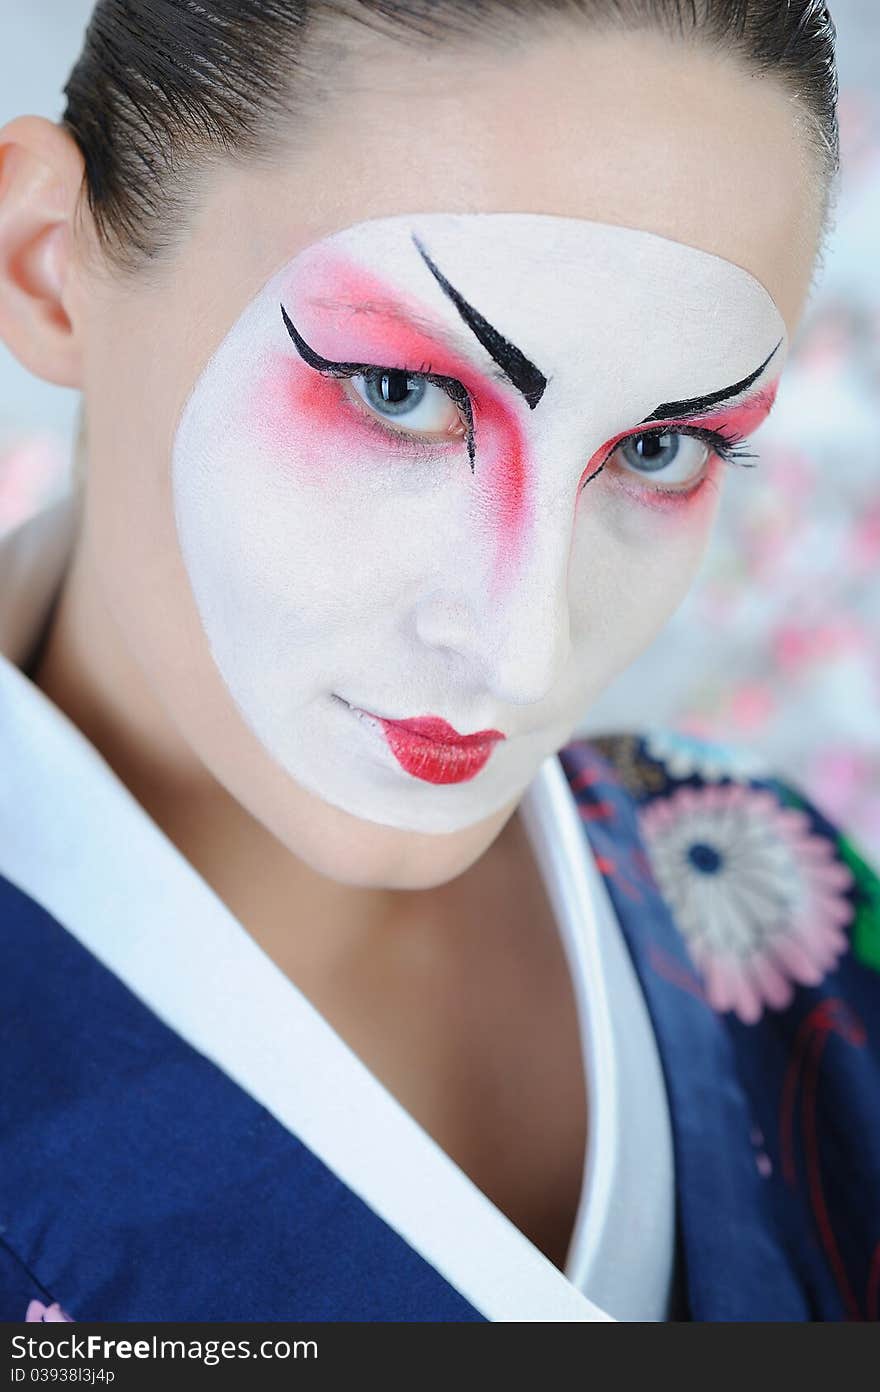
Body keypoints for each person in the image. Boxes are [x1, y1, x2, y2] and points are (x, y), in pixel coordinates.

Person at [0, 0, 877, 1324]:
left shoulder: (767, 890)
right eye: (399, 394)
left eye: (659, 449)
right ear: (50, 260)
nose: (525, 654)